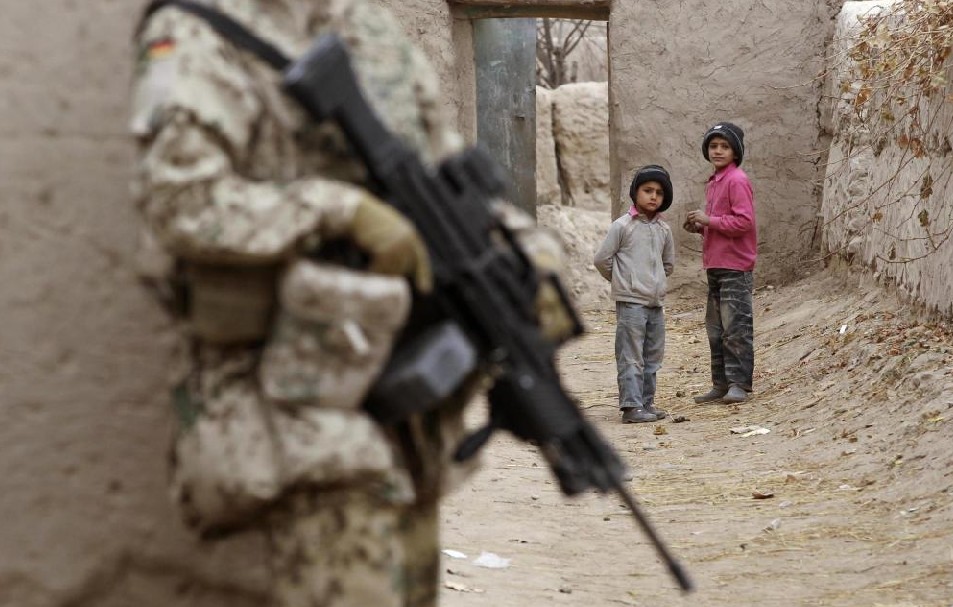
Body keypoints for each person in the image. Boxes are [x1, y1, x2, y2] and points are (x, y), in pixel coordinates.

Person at [128, 1, 571, 605]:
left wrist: (527, 258)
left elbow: (443, 176)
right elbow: (180, 201)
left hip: (405, 401)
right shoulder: (195, 30)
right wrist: (341, 211)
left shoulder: (374, 31)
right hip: (296, 403)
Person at [594, 165, 676, 424]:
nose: (653, 196)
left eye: (659, 193)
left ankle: (647, 403)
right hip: (631, 304)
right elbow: (602, 259)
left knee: (653, 356)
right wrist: (623, 281)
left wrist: (656, 282)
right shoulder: (622, 226)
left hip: (655, 303)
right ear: (635, 193)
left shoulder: (664, 229)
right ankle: (631, 406)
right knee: (631, 355)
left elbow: (668, 264)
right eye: (647, 190)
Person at [684, 122, 757, 404]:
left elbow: (743, 222)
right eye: (713, 146)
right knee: (716, 330)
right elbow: (722, 225)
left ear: (735, 152)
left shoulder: (737, 180)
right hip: (716, 265)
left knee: (736, 326)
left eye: (724, 146)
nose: (718, 151)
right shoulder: (715, 181)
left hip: (735, 267)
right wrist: (701, 227)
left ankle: (740, 384)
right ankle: (721, 384)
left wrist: (708, 220)